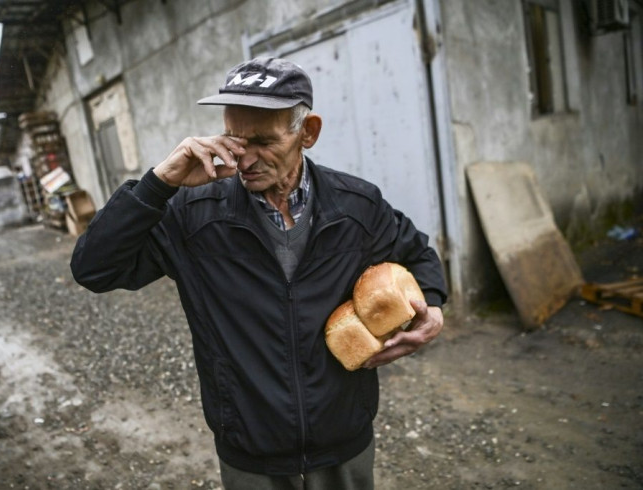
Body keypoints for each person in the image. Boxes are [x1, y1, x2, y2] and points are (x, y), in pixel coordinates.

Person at [71, 57, 447, 489]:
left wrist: (432, 306)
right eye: (234, 138)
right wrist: (159, 183)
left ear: (307, 133)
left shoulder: (357, 206)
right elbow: (92, 269)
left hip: (344, 442)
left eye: (264, 141)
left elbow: (419, 256)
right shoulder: (192, 215)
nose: (245, 158)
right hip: (250, 454)